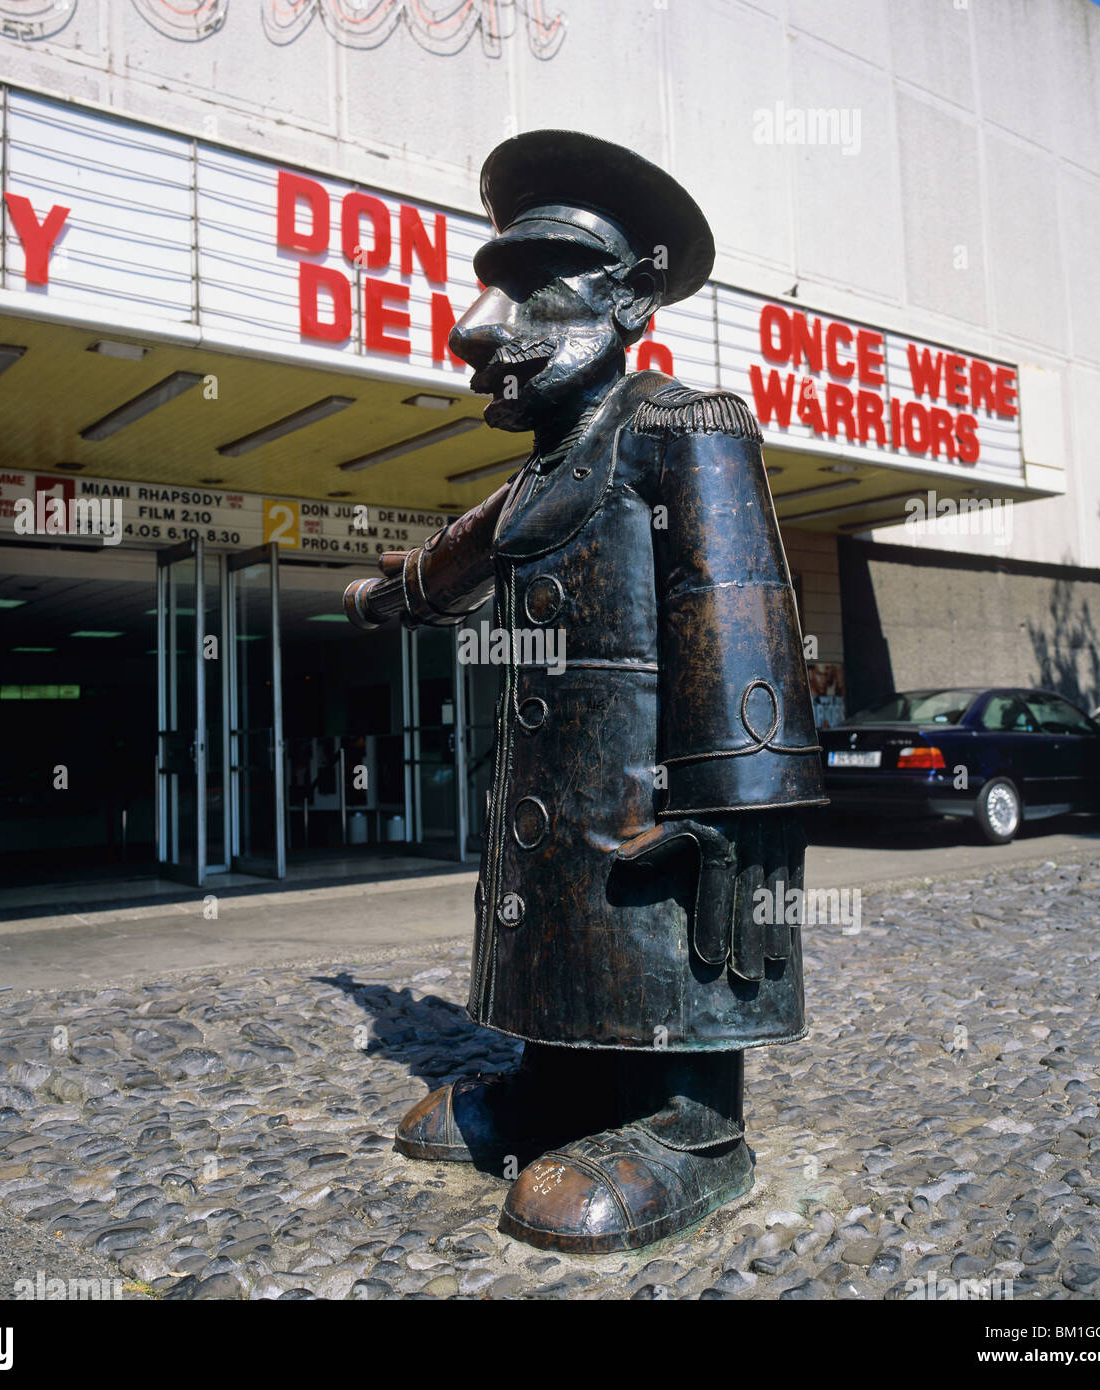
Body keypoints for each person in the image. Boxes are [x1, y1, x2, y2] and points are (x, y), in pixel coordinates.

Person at [345, 130, 826, 1252]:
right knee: (566, 928)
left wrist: (736, 821)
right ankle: (558, 1084)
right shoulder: (541, 474)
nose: (477, 329)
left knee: (651, 931)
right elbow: (452, 563)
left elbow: (740, 623)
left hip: (651, 803)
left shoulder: (684, 427)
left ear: (632, 298)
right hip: (557, 796)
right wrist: (388, 597)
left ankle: (697, 1121)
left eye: (537, 288)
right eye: (488, 290)